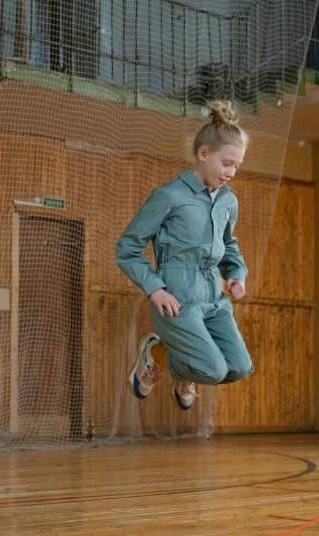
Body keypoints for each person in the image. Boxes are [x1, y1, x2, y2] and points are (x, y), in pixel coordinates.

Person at [116, 100, 254, 411]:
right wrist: (156, 289)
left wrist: (236, 274)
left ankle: (179, 361)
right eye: (227, 163)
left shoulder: (228, 201)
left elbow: (229, 246)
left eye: (237, 166)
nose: (232, 172)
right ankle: (160, 355)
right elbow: (127, 249)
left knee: (239, 367)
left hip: (214, 298)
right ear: (204, 154)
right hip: (178, 299)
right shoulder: (169, 196)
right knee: (213, 370)